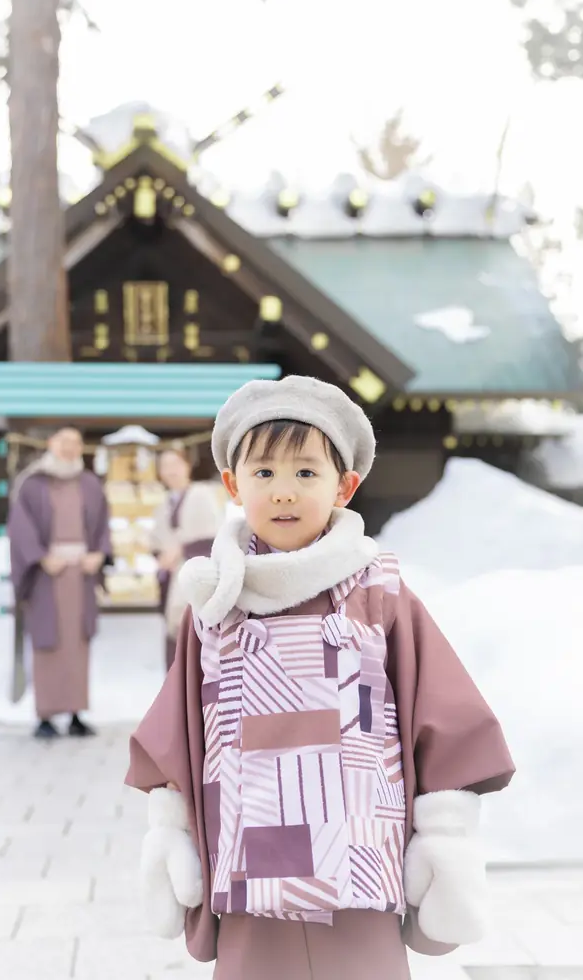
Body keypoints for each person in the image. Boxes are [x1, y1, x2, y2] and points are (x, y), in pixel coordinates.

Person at [124, 375, 516, 980]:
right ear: (233, 485)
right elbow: (178, 731)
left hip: (358, 846)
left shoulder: (379, 592)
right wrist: (169, 826)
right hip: (247, 848)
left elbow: (442, 711)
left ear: (345, 486)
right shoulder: (215, 603)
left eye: (306, 473)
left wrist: (445, 832)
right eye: (264, 474)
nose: (284, 493)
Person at [8, 425, 113, 740]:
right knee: (48, 643)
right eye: (64, 441)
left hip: (80, 575)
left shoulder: (90, 484)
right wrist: (40, 557)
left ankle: (76, 713)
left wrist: (99, 554)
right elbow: (20, 527)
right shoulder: (33, 484)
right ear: (51, 444)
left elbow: (103, 526)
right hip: (47, 577)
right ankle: (45, 715)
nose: (70, 448)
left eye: (76, 442)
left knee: (77, 645)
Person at [152, 446, 223, 670]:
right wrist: (162, 555)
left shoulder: (201, 494)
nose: (171, 471)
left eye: (175, 465)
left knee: (193, 634)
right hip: (172, 575)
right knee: (175, 636)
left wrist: (181, 550)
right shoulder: (164, 502)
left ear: (186, 466)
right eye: (165, 466)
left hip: (195, 575)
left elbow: (212, 536)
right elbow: (155, 540)